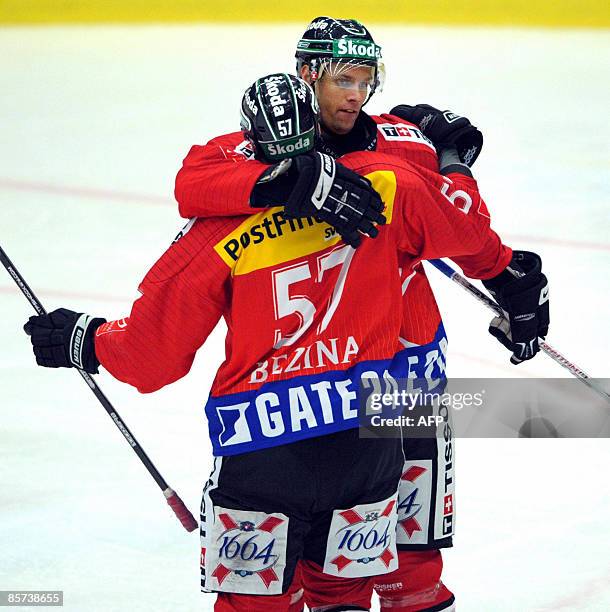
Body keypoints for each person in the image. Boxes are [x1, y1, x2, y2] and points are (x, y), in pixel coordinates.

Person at [23, 72, 540, 612]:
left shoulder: (217, 233)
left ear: (249, 142)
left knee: (257, 605)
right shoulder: (390, 183)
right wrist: (458, 173)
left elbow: (152, 358)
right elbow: (471, 233)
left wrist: (84, 339)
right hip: (368, 442)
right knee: (345, 598)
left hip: (263, 445)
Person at [173, 18, 550, 612]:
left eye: (366, 78)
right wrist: (288, 179)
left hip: (407, 365)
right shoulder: (256, 147)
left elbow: (459, 222)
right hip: (317, 380)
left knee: (412, 550)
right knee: (313, 553)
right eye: (343, 78)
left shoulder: (400, 142)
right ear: (308, 74)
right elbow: (194, 181)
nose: (356, 93)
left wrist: (453, 165)